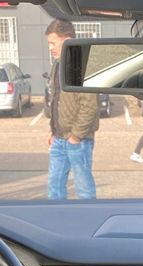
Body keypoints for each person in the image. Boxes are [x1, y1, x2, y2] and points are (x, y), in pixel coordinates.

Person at [45, 19, 100, 199]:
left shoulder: (82, 66)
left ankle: (87, 217)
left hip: (79, 140)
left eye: (53, 43)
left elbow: (89, 106)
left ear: (67, 40)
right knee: (54, 187)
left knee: (84, 189)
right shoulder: (57, 65)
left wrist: (76, 136)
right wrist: (53, 130)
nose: (50, 48)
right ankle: (56, 216)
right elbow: (55, 99)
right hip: (59, 138)